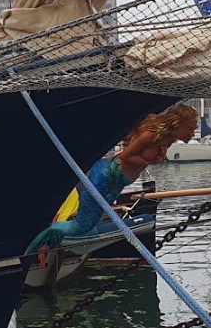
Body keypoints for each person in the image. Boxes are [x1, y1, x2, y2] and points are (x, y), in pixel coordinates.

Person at [24, 103, 199, 255]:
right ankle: (45, 233)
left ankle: (53, 237)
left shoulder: (166, 139)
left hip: (116, 183)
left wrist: (155, 159)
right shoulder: (150, 134)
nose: (193, 133)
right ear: (178, 124)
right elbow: (125, 156)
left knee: (89, 227)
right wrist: (150, 160)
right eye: (191, 128)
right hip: (104, 178)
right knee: (81, 228)